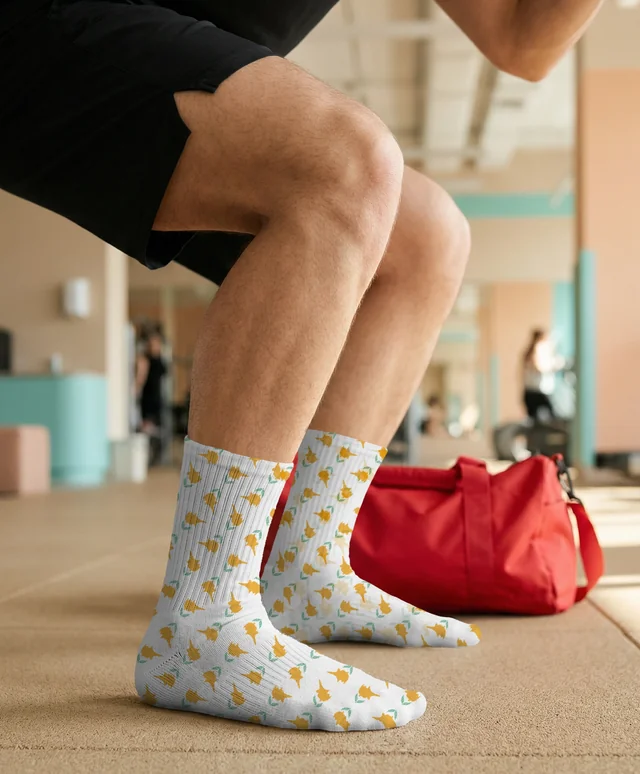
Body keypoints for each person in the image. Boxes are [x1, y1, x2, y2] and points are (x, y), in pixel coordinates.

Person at [1, 0, 603, 734]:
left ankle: (308, 568)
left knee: (426, 242)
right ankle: (204, 616)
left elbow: (522, 42)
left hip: (151, 48)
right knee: (343, 162)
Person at [136, 329, 168, 463]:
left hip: (157, 398)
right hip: (147, 398)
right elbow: (141, 378)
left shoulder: (160, 361)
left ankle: (157, 456)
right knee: (146, 428)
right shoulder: (145, 360)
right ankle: (147, 457)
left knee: (157, 428)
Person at [522, 329, 563, 422]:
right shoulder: (534, 352)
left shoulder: (531, 352)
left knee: (536, 421)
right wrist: (554, 366)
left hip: (532, 392)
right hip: (536, 392)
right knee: (552, 419)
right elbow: (540, 368)